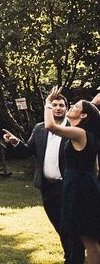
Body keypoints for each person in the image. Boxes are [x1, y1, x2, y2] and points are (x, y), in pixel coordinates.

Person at [3, 92, 84, 264]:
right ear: (49, 108)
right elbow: (28, 150)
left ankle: (74, 259)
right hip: (47, 186)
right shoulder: (40, 128)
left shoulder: (73, 128)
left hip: (68, 186)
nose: (58, 108)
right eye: (54, 105)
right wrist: (15, 142)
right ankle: (68, 255)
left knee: (71, 226)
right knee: (59, 226)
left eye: (61, 105)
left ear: (67, 109)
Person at [44, 91, 100, 264]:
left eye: (76, 106)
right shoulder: (84, 133)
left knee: (89, 238)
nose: (73, 106)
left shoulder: (80, 133)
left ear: (83, 115)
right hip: (80, 185)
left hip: (80, 189)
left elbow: (50, 126)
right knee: (85, 235)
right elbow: (96, 167)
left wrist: (48, 102)